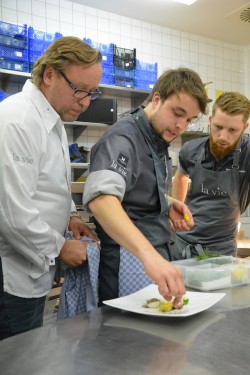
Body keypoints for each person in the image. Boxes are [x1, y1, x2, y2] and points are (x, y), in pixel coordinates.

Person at [0, 36, 102, 340]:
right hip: (11, 278)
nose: (85, 102)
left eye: (91, 93)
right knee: (14, 363)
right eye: (80, 90)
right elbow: (12, 215)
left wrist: (70, 217)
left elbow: (51, 183)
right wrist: (60, 247)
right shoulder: (17, 121)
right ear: (49, 75)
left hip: (34, 270)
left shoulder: (52, 119)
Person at [82, 67, 209, 304]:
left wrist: (166, 202)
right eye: (177, 113)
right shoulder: (123, 138)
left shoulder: (156, 136)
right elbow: (102, 200)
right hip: (129, 260)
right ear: (157, 98)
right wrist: (149, 256)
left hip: (153, 255)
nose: (181, 125)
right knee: (128, 335)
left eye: (189, 119)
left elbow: (132, 191)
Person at [171, 91, 250, 259]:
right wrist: (178, 206)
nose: (223, 136)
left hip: (222, 252)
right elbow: (180, 177)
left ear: (244, 127)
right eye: (218, 127)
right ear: (210, 121)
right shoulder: (190, 149)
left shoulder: (247, 154)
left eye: (233, 130)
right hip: (183, 243)